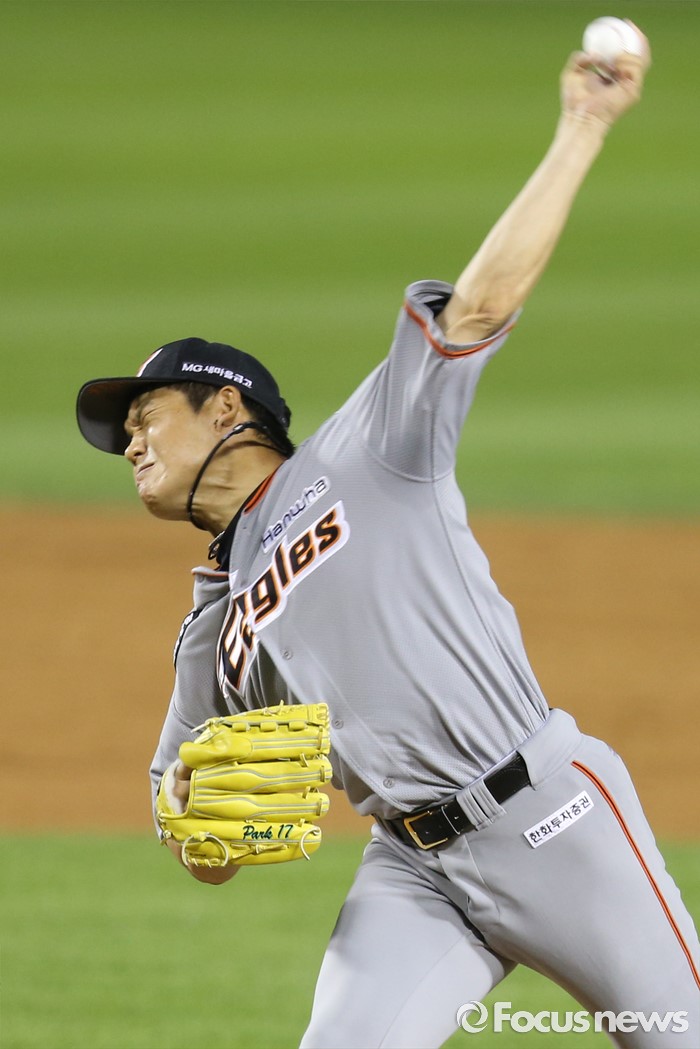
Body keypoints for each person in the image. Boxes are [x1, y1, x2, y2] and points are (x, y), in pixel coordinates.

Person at [77, 41, 700, 1049]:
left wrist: (582, 126)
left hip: (546, 814)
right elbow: (188, 826)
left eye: (146, 416)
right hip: (413, 869)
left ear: (227, 407)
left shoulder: (366, 449)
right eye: (125, 437)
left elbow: (478, 309)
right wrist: (190, 815)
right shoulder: (212, 623)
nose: (132, 443)